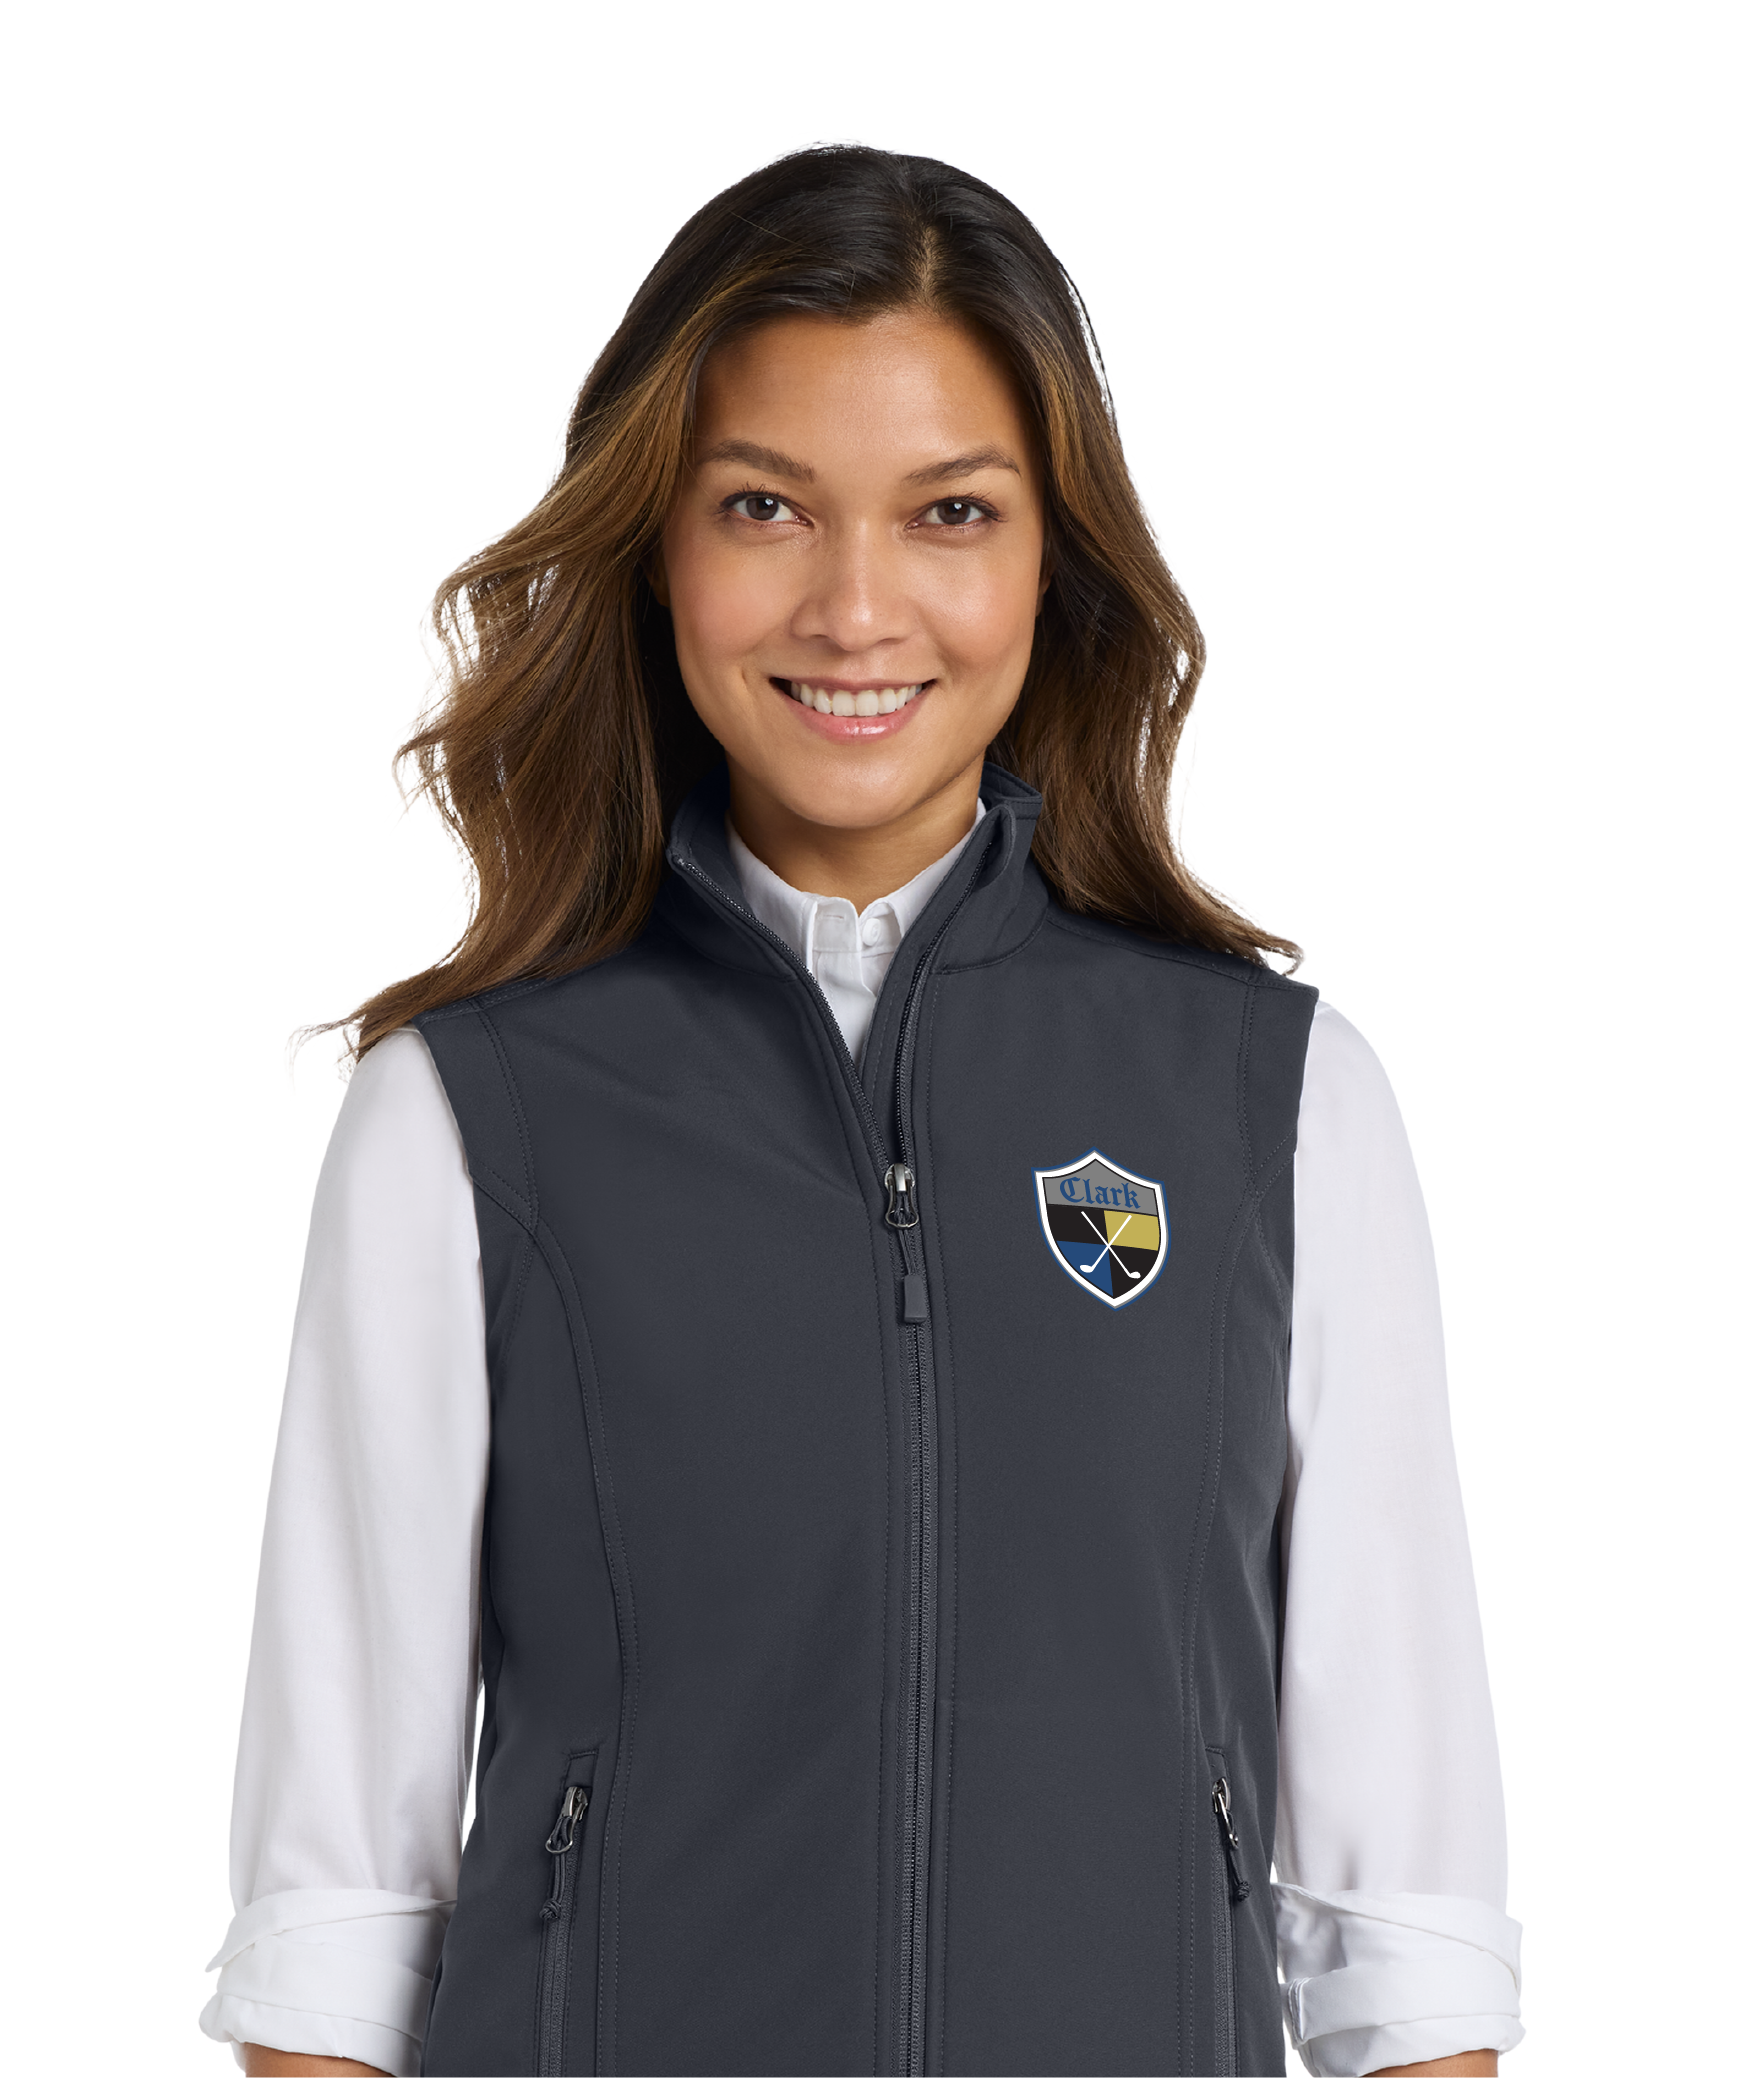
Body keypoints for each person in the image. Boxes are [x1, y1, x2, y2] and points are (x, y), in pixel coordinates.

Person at [201, 147, 1522, 2078]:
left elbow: (1407, 1931)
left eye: (950, 512)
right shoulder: (467, 1120)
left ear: (1052, 560)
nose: (854, 605)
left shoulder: (1275, 1104)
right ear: (659, 548)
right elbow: (335, 1921)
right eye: (764, 507)